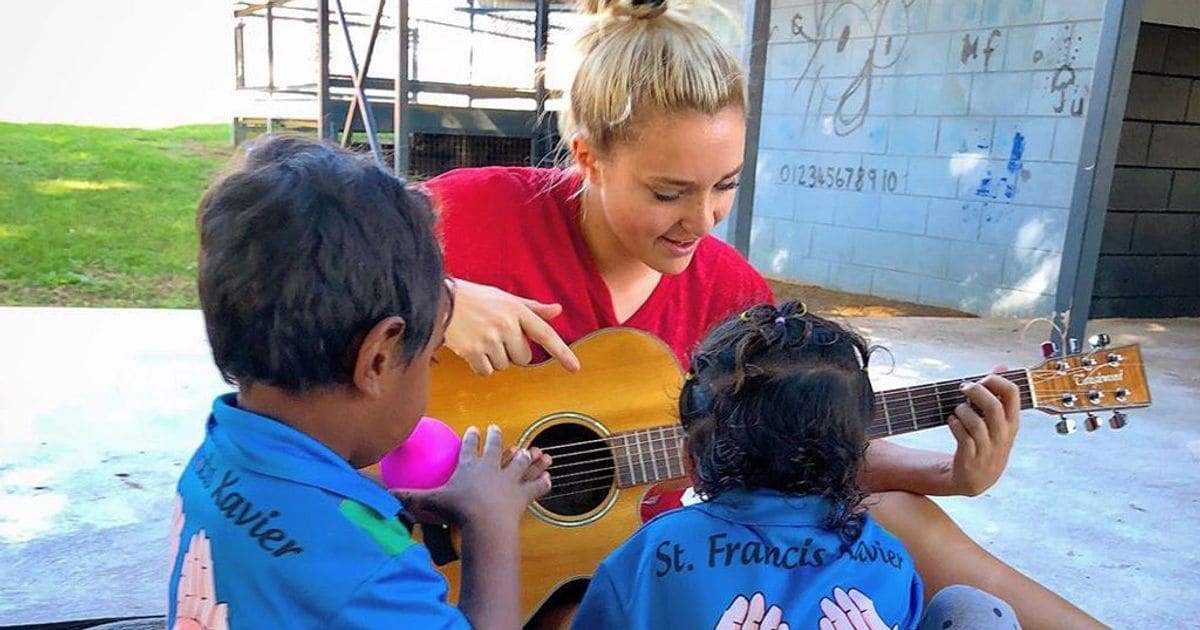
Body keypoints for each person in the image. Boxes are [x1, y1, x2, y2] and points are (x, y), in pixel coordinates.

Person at [422, 1, 1104, 627]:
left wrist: (950, 475)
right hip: (444, 548)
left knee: (888, 516)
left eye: (725, 185)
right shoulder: (474, 212)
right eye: (669, 192)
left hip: (604, 570)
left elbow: (801, 442)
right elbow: (315, 248)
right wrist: (439, 298)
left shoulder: (732, 292)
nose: (701, 220)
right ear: (589, 158)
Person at [167, 135, 552, 630]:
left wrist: (389, 506)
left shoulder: (214, 457)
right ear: (378, 359)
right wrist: (491, 523)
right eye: (431, 357)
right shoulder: (373, 575)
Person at [568, 302, 1021, 630]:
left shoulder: (652, 551)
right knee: (975, 610)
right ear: (856, 459)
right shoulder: (892, 560)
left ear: (691, 459)